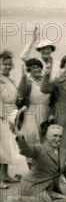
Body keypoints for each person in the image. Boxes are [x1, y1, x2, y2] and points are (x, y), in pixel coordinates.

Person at [2, 124, 66, 202]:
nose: (57, 139)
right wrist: (19, 137)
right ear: (47, 136)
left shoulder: (65, 153)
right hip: (34, 186)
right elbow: (26, 150)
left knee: (64, 200)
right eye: (55, 136)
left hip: (48, 189)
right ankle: (16, 199)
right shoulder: (39, 149)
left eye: (60, 136)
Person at [16, 58, 51, 149]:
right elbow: (20, 92)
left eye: (38, 67)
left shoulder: (46, 79)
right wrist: (23, 76)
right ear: (29, 70)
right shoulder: (27, 82)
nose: (37, 70)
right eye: (33, 68)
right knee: (33, 141)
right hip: (32, 114)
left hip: (47, 113)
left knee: (47, 140)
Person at [0, 51, 22, 188]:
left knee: (7, 146)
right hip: (1, 115)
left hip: (11, 114)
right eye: (4, 64)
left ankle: (4, 175)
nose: (7, 67)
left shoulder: (11, 80)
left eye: (9, 64)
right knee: (1, 147)